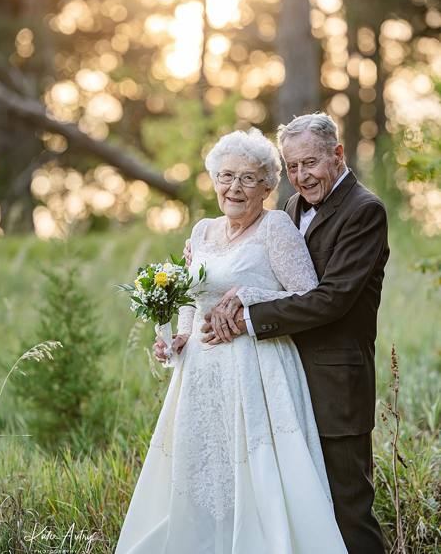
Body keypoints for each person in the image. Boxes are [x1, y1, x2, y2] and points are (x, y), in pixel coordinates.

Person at [115, 127, 348, 554]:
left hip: (257, 370)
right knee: (202, 472)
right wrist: (178, 337)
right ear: (213, 180)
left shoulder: (276, 226)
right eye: (225, 176)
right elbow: (191, 299)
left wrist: (249, 296)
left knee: (254, 474)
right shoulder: (201, 232)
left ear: (266, 186)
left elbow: (308, 294)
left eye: (247, 178)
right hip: (200, 375)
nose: (234, 187)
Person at [198, 113, 389, 554]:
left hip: (333, 385)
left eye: (311, 163)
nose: (302, 176)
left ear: (337, 155)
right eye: (294, 166)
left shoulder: (364, 210)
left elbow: (332, 299)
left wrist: (247, 318)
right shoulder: (290, 209)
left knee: (347, 511)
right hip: (280, 382)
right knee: (300, 510)